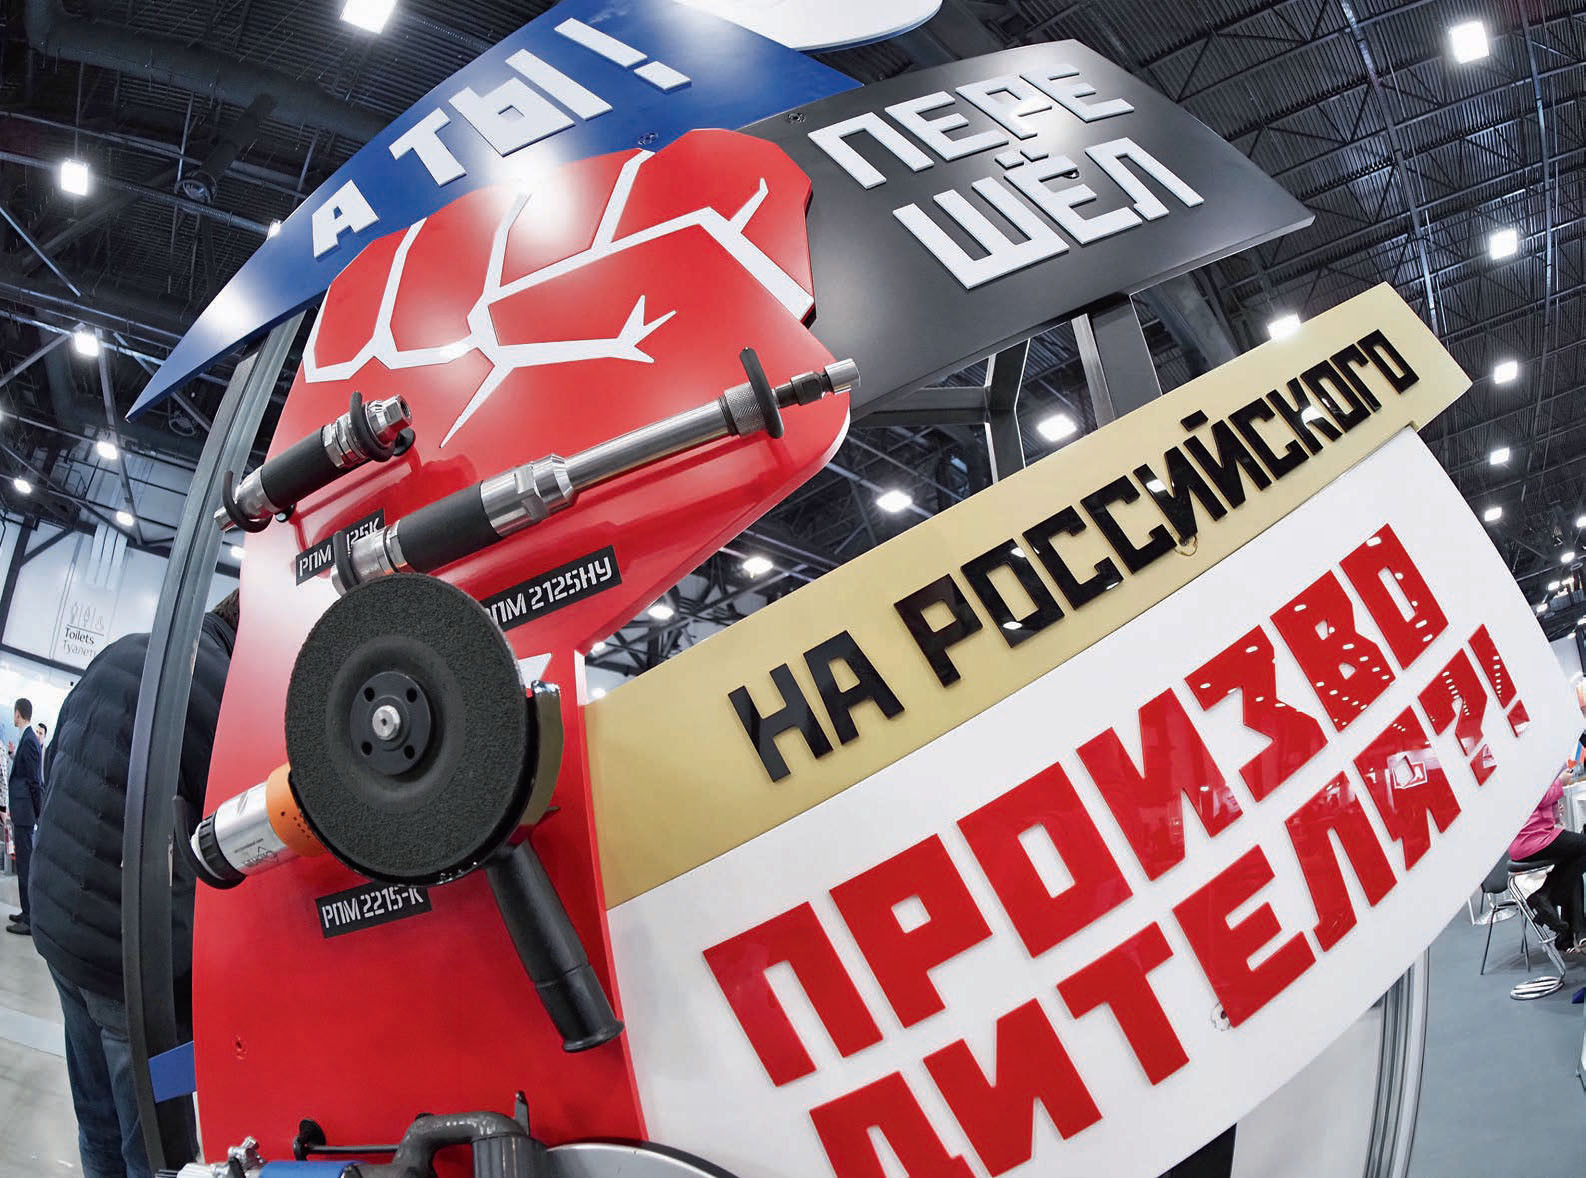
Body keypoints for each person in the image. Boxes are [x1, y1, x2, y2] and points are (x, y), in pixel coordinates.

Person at [29, 591, 237, 1178]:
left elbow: (55, 761)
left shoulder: (121, 651)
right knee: (155, 1150)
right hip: (134, 969)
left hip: (60, 933)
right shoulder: (225, 695)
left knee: (96, 1120)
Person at [1510, 762, 1586, 951]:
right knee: (1581, 849)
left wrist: (1555, 812)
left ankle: (1569, 937)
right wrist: (1560, 783)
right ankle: (1546, 895)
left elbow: (1541, 807)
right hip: (1532, 839)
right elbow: (1539, 798)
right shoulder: (1528, 768)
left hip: (1533, 837)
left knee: (1573, 865)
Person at [7, 698, 43, 935]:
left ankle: (29, 919)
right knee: (22, 863)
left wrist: (37, 814)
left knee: (24, 865)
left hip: (25, 814)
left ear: (18, 714)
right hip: (23, 813)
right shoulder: (27, 738)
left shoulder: (29, 740)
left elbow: (33, 781)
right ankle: (25, 911)